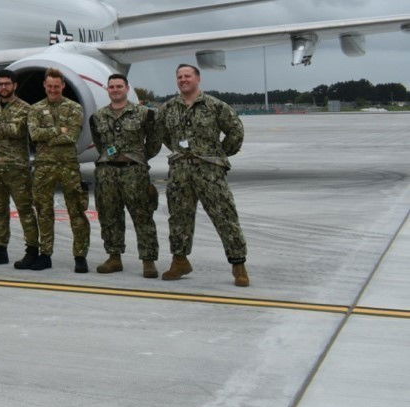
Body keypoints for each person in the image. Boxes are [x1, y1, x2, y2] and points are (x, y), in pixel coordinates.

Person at [157, 63, 250, 287]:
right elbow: (161, 133)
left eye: (187, 76)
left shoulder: (215, 106)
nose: (183, 80)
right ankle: (179, 260)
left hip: (209, 170)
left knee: (224, 215)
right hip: (180, 171)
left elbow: (235, 130)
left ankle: (238, 265)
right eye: (179, 77)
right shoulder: (168, 108)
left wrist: (219, 154)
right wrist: (179, 152)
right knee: (178, 218)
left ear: (198, 79)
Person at [89, 73, 162, 277]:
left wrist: (137, 157)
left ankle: (148, 260)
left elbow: (155, 142)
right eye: (111, 87)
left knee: (143, 215)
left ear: (127, 88)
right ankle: (114, 257)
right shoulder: (98, 117)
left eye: (119, 86)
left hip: (134, 172)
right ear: (107, 90)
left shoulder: (143, 113)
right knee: (109, 215)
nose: (115, 90)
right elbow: (100, 144)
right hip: (107, 173)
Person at [28, 68, 90, 272]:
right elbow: (34, 134)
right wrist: (58, 130)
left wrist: (48, 135)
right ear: (44, 86)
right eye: (50, 86)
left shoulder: (74, 108)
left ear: (63, 86)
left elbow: (71, 136)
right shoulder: (35, 109)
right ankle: (45, 254)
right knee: (44, 212)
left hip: (68, 166)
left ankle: (80, 256)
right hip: (44, 167)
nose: (53, 90)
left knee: (77, 211)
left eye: (57, 86)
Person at [0, 69, 36, 267]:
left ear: (14, 85)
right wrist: (3, 128)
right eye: (0, 84)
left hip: (17, 168)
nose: (3, 87)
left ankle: (32, 249)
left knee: (25, 210)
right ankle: (0, 249)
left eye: (7, 84)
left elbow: (18, 130)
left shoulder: (25, 109)